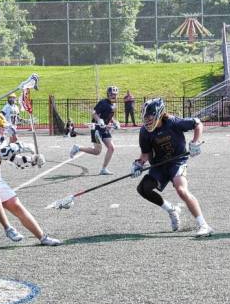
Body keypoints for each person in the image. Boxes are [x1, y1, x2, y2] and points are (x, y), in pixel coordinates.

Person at [0, 111, 60, 246]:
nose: (2, 129)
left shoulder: (0, 140)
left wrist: (33, 160)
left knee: (16, 206)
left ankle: (43, 237)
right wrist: (20, 146)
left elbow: (15, 160)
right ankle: (8, 228)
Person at [130, 98, 213, 237]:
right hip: (159, 165)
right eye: (145, 117)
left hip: (177, 161)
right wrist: (139, 163)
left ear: (160, 114)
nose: (147, 121)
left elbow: (197, 123)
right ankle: (171, 209)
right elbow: (146, 153)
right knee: (143, 188)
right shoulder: (144, 132)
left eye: (150, 117)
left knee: (181, 190)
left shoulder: (173, 122)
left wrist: (195, 142)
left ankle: (204, 225)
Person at [69, 85, 119, 175]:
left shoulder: (113, 105)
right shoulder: (103, 103)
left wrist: (115, 122)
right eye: (112, 94)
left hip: (104, 129)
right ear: (108, 94)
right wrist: (99, 120)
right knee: (97, 151)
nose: (114, 96)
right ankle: (78, 148)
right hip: (96, 128)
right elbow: (94, 113)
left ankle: (103, 169)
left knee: (111, 148)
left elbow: (109, 116)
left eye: (115, 94)